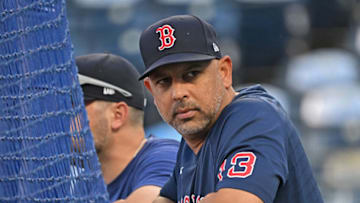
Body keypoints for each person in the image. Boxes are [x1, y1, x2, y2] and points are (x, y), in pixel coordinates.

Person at [138, 15, 324, 203]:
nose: (178, 93)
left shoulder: (254, 118)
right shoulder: (192, 141)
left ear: (224, 72)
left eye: (191, 74)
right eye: (164, 82)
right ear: (151, 91)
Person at [76, 53, 179, 203]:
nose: (63, 121)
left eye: (75, 109)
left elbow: (154, 198)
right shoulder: (83, 184)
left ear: (117, 115)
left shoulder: (165, 156)